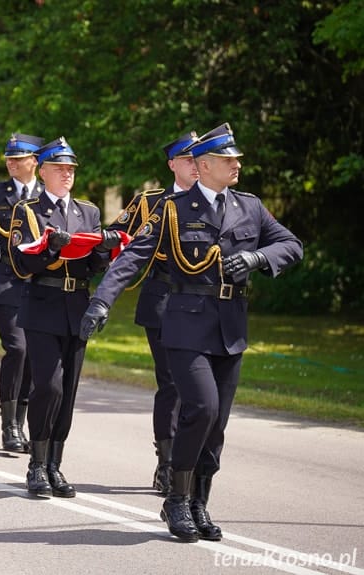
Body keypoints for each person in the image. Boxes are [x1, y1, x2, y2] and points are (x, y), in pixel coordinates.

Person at [80, 123, 303, 542]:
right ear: (203, 165)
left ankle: (200, 501)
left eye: (236, 159)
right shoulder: (172, 209)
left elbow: (291, 245)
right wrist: (101, 301)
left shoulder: (250, 206)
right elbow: (132, 258)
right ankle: (177, 500)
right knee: (201, 407)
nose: (236, 164)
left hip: (230, 327)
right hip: (184, 324)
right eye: (227, 159)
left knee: (217, 424)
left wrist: (256, 258)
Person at [7, 137, 122, 498]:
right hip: (42, 305)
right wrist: (50, 251)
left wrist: (104, 250)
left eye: (70, 168)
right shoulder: (28, 210)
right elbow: (21, 264)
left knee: (68, 390)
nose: (67, 173)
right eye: (59, 168)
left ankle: (55, 464)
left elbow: (93, 264)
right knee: (49, 386)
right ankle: (36, 464)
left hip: (77, 306)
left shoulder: (87, 211)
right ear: (42, 171)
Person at [106, 131, 199, 495]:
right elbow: (114, 237)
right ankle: (168, 463)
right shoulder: (150, 202)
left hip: (204, 304)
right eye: (187, 159)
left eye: (198, 158)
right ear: (172, 164)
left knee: (201, 389)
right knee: (172, 382)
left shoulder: (216, 201)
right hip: (162, 299)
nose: (194, 165)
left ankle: (192, 462)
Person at [0, 133, 44, 453]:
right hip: (5, 280)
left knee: (34, 353)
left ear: (35, 161)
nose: (11, 163)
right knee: (17, 348)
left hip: (39, 283)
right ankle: (9, 425)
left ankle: (21, 419)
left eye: (19, 158)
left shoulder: (46, 195)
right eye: (9, 158)